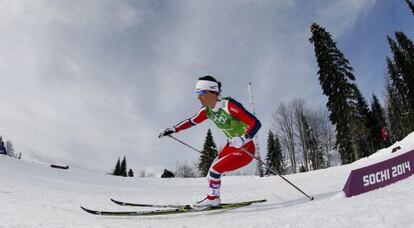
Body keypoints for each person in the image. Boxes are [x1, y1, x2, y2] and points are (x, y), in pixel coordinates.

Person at [159, 75, 261, 209]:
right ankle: (214, 197)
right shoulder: (206, 111)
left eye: (200, 93)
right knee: (210, 174)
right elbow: (191, 122)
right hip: (231, 146)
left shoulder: (228, 105)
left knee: (215, 170)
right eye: (197, 94)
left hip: (245, 147)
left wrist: (243, 138)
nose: (198, 97)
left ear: (212, 91)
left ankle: (213, 199)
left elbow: (256, 123)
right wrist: (173, 129)